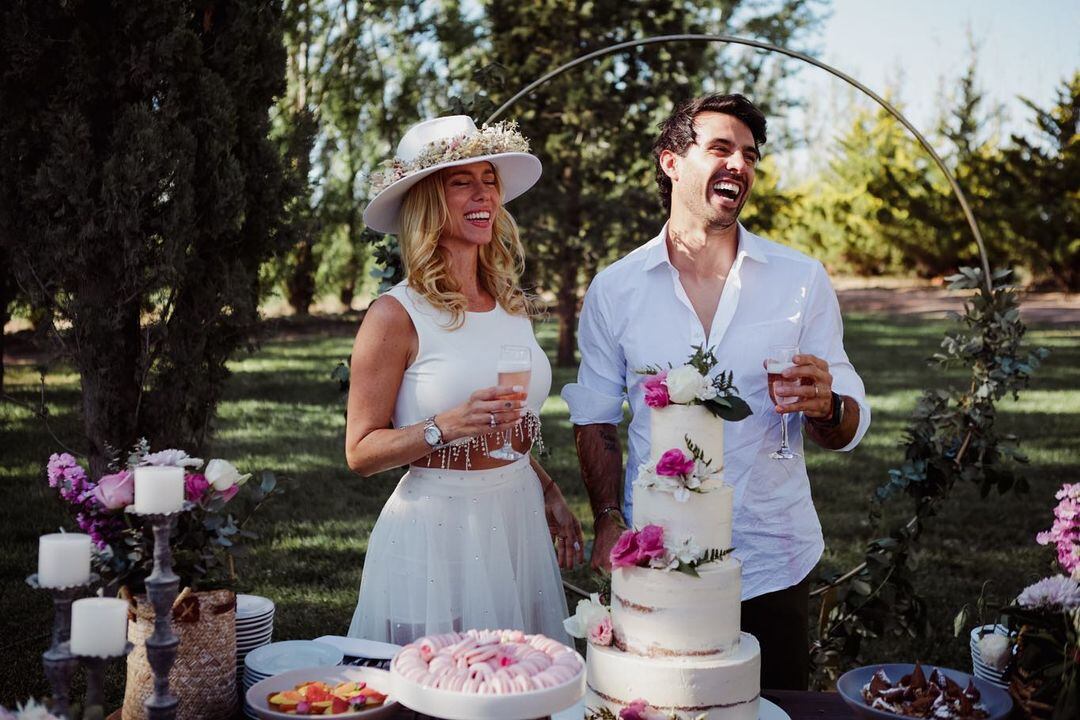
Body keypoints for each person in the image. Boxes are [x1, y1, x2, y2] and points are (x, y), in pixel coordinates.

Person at [561, 93, 871, 689]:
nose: (740, 165)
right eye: (721, 148)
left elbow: (849, 427)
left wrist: (827, 405)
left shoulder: (800, 280)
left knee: (770, 702)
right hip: (659, 555)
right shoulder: (616, 289)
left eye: (750, 156)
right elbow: (597, 417)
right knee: (657, 700)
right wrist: (607, 517)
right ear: (671, 161)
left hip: (774, 553)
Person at [346, 115, 584, 646]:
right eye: (462, 181)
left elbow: (505, 421)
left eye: (490, 178)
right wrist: (443, 426)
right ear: (429, 200)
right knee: (441, 688)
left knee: (519, 686)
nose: (485, 193)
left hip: (517, 512)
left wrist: (546, 489)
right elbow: (360, 453)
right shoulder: (394, 315)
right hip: (439, 529)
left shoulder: (510, 305)